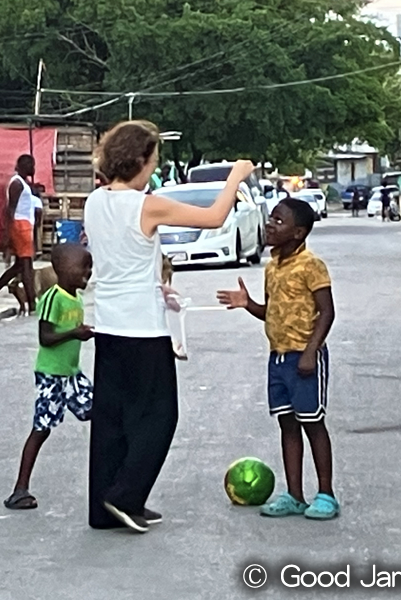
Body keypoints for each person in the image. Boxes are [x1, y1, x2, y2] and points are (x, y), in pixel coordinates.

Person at [83, 120, 254, 532]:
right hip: (142, 327)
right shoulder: (147, 205)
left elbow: (124, 258)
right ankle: (123, 495)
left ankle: (105, 507)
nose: (153, 168)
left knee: (112, 420)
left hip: (108, 323)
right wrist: (235, 176)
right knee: (160, 416)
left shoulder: (95, 200)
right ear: (140, 160)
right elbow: (214, 217)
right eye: (153, 160)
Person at [216, 198, 338, 520]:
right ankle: (294, 495)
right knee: (287, 424)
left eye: (279, 222)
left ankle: (326, 494)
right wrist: (248, 304)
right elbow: (270, 312)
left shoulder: (311, 265)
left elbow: (327, 312)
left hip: (305, 358)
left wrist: (311, 351)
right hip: (278, 359)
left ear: (298, 233)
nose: (270, 225)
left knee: (313, 423)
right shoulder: (271, 267)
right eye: (271, 219)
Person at [4, 243, 94, 510]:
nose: (87, 274)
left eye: (89, 268)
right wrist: (74, 333)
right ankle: (19, 489)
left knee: (102, 413)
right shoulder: (53, 298)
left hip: (71, 375)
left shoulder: (76, 298)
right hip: (52, 376)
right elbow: (46, 338)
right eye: (82, 268)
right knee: (41, 428)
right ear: (61, 270)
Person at [0, 155, 38, 314]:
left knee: (22, 265)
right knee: (25, 265)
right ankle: (31, 304)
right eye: (31, 165)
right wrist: (6, 233)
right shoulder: (17, 184)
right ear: (23, 165)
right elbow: (10, 209)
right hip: (20, 225)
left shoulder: (23, 183)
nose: (33, 168)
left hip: (25, 225)